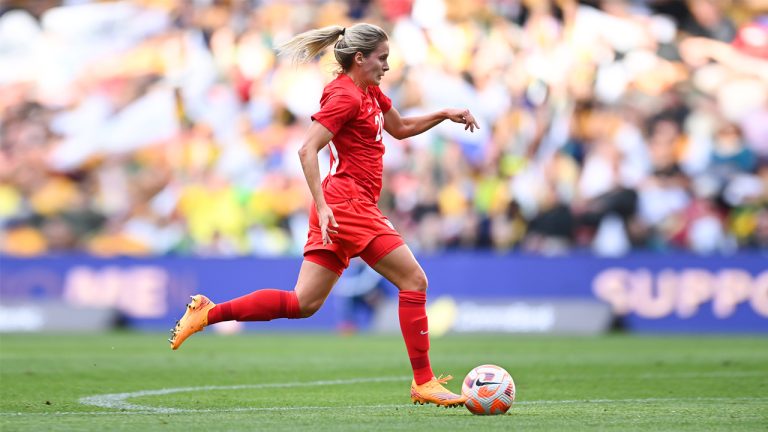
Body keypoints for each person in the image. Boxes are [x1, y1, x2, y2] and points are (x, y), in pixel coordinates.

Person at [168, 22, 480, 408]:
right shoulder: (346, 97)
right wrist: (323, 204)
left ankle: (208, 313)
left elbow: (399, 128)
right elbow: (306, 149)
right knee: (414, 280)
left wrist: (444, 114)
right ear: (360, 58)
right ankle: (424, 382)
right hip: (347, 205)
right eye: (382, 58)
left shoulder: (369, 93)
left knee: (303, 303)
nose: (387, 65)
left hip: (343, 205)